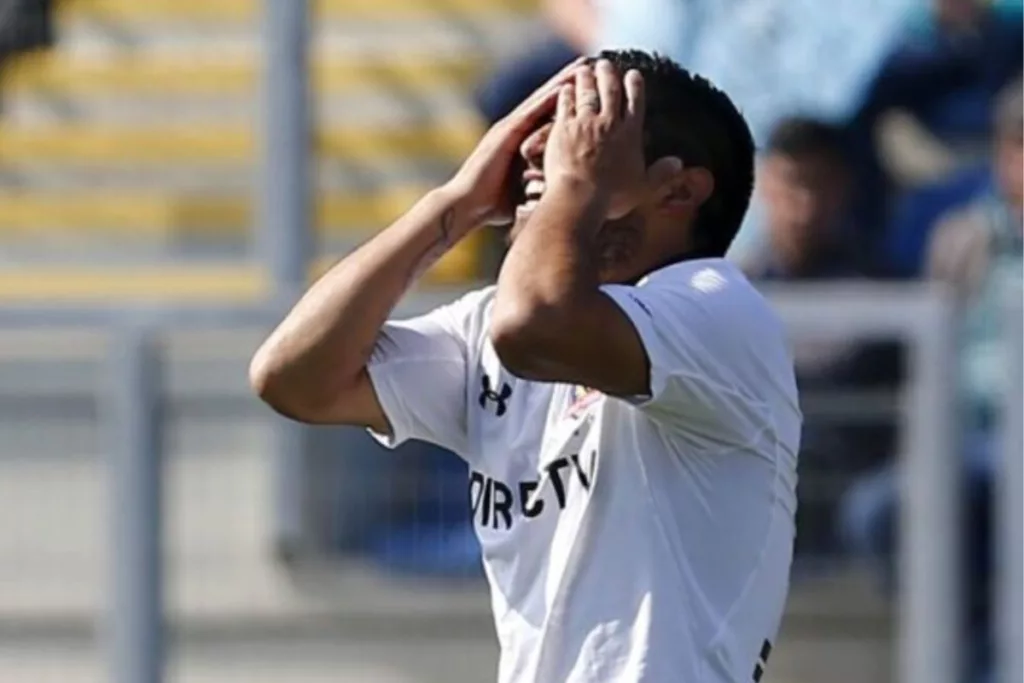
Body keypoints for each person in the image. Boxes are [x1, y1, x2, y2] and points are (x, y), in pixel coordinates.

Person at [251, 50, 800, 683]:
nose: (541, 158)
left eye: (583, 135)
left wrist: (572, 188)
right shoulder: (492, 324)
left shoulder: (718, 308)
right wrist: (455, 203)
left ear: (678, 188)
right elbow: (293, 377)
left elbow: (533, 329)